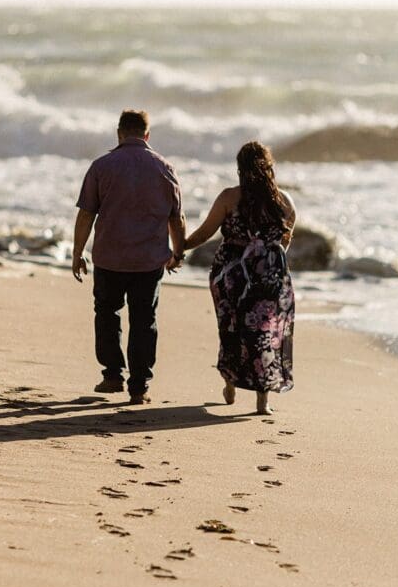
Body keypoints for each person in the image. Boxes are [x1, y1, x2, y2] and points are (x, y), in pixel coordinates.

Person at [72, 109, 186, 405]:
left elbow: (86, 213)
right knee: (144, 320)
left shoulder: (102, 166)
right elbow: (177, 218)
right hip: (148, 261)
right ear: (147, 135)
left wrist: (77, 253)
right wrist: (178, 252)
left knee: (107, 313)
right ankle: (139, 387)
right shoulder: (165, 168)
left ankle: (112, 375)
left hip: (109, 257)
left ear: (119, 133)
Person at [184, 141, 296, 414]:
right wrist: (269, 264)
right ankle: (263, 402)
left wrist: (179, 249)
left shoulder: (227, 198)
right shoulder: (284, 201)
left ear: (240, 169)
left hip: (230, 275)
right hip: (269, 274)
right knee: (264, 334)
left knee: (231, 330)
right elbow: (285, 241)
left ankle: (230, 385)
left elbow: (204, 234)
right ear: (270, 168)